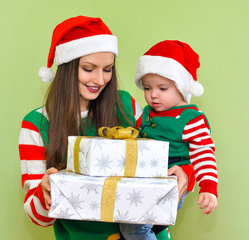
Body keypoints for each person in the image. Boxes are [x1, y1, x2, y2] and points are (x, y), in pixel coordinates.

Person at [19, 16, 191, 240]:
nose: (100, 80)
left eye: (107, 69)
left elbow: (167, 154)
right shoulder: (36, 125)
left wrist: (185, 173)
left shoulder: (125, 105)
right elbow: (37, 217)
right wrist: (46, 193)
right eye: (89, 69)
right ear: (67, 68)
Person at [119, 40, 219, 240]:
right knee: (136, 226)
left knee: (134, 228)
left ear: (182, 88)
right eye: (147, 88)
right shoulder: (148, 113)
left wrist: (208, 187)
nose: (152, 95)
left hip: (172, 183)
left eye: (162, 89)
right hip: (149, 182)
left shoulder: (190, 118)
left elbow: (204, 153)